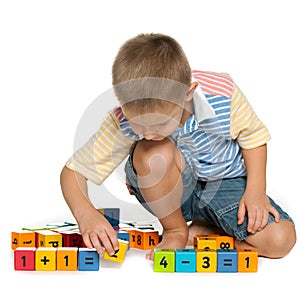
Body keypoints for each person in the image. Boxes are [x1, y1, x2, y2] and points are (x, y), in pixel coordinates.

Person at [60, 33, 296, 260]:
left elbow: (253, 137)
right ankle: (175, 230)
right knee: (154, 151)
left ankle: (205, 234)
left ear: (188, 93)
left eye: (161, 123)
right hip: (171, 195)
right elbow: (73, 172)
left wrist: (255, 190)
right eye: (139, 126)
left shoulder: (222, 94)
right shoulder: (123, 120)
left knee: (280, 240)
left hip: (226, 183)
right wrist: (86, 215)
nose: (149, 133)